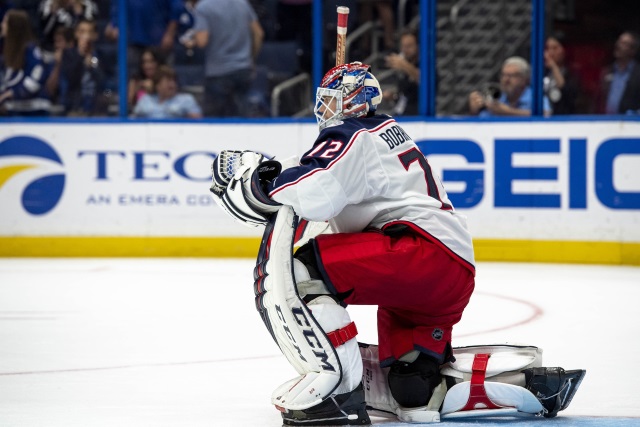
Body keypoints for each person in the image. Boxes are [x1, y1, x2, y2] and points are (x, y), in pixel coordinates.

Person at [209, 61, 585, 425]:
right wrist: (275, 171)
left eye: (331, 99)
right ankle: (535, 386)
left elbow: (311, 190)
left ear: (355, 99)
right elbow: (317, 176)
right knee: (413, 390)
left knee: (301, 271)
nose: (323, 108)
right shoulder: (381, 132)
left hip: (415, 254)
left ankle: (336, 391)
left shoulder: (350, 133)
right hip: (447, 272)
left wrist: (254, 181)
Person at [189, 0, 264, 117]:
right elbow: (258, 33)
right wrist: (251, 59)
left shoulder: (204, 7)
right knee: (241, 118)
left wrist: (192, 40)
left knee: (214, 122)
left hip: (218, 71)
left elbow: (202, 41)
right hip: (243, 69)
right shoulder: (242, 3)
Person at [46, 18, 106, 115]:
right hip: (74, 108)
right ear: (76, 34)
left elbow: (103, 83)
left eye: (89, 32)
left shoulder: (100, 55)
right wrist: (81, 56)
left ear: (95, 35)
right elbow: (70, 79)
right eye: (82, 31)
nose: (86, 36)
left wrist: (92, 64)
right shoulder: (68, 55)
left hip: (95, 108)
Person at [0, 9, 52, 116]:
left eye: (5, 22)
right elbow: (8, 81)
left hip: (34, 111)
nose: (2, 25)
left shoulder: (31, 51)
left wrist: (12, 94)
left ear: (15, 27)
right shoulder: (7, 53)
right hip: (14, 110)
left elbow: (36, 77)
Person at [468, 56, 552, 117]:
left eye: (512, 75)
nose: (506, 80)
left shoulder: (536, 97)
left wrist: (508, 112)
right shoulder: (497, 98)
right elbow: (482, 123)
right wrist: (474, 112)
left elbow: (546, 115)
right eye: (503, 75)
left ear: (524, 79)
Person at [132, 65, 202, 118]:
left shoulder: (186, 100)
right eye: (168, 81)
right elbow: (131, 122)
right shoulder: (146, 100)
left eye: (174, 81)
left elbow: (199, 123)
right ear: (158, 85)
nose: (172, 84)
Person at [596, 31, 640, 115]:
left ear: (632, 50)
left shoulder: (638, 73)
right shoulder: (607, 71)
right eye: (619, 42)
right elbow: (599, 100)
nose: (618, 46)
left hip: (630, 124)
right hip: (606, 122)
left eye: (624, 44)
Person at [384, 29, 419, 115]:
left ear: (418, 46)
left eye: (409, 46)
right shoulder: (403, 69)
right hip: (400, 114)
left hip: (416, 117)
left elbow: (422, 79)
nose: (405, 50)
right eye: (403, 46)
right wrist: (392, 96)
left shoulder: (425, 65)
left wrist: (403, 64)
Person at [544, 34, 580, 115]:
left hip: (564, 119)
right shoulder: (543, 73)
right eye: (548, 48)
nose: (551, 52)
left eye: (555, 48)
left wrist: (553, 67)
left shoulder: (572, 73)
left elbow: (566, 92)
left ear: (564, 50)